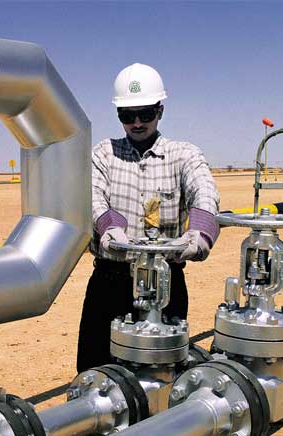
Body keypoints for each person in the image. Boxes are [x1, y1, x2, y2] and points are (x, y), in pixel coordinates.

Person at [76, 63, 220, 373]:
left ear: (160, 111)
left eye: (146, 113)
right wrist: (109, 227)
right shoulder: (104, 154)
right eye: (128, 116)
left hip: (166, 284)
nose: (138, 123)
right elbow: (91, 195)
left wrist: (199, 234)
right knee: (95, 375)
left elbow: (205, 192)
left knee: (162, 375)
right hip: (110, 282)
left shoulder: (183, 155)